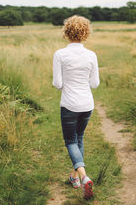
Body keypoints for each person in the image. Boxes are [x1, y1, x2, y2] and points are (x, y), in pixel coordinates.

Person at [52, 15, 99, 199]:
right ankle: (75, 177)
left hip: (69, 104)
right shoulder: (91, 55)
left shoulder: (60, 54)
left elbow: (57, 83)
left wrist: (68, 84)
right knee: (79, 138)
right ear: (86, 32)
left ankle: (85, 176)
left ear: (67, 32)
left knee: (71, 141)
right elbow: (94, 84)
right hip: (87, 104)